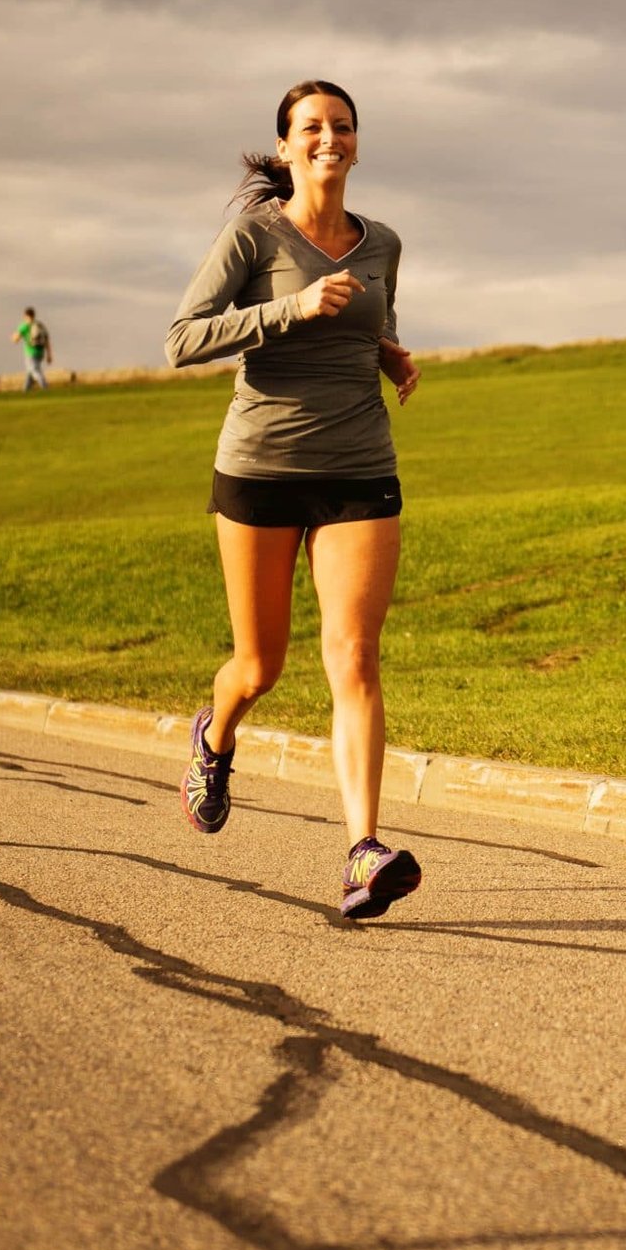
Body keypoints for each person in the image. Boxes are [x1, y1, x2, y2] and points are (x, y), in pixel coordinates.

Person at [165, 79, 422, 920]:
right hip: (262, 466)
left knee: (353, 657)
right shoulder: (251, 236)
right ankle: (216, 734)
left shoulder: (381, 242)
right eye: (311, 127)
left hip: (359, 461)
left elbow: (365, 319)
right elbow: (182, 339)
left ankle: (363, 852)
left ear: (357, 143)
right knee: (261, 666)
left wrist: (386, 353)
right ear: (285, 147)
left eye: (342, 126)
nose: (328, 138)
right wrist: (291, 308)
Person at [12, 307, 52, 390]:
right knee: (30, 374)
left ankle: (45, 387)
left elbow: (15, 340)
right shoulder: (40, 325)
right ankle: (25, 391)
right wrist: (49, 354)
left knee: (35, 371)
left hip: (30, 353)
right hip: (40, 353)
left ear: (25, 316)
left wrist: (13, 336)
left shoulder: (24, 326)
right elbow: (47, 341)